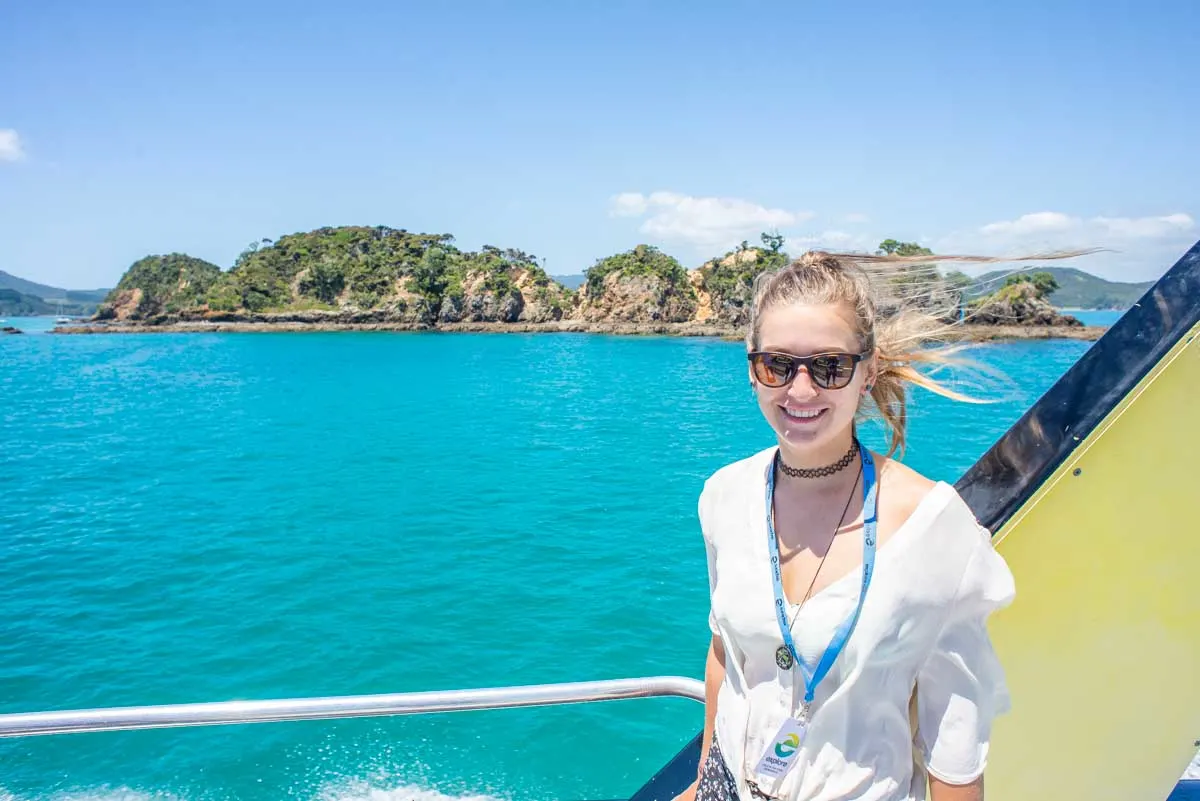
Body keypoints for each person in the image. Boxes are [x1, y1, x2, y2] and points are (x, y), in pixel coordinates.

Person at [680, 251, 1017, 801]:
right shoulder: (725, 495)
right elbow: (724, 652)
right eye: (778, 365)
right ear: (752, 370)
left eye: (831, 366)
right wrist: (701, 783)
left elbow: (953, 734)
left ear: (869, 371)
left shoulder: (931, 524)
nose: (803, 391)